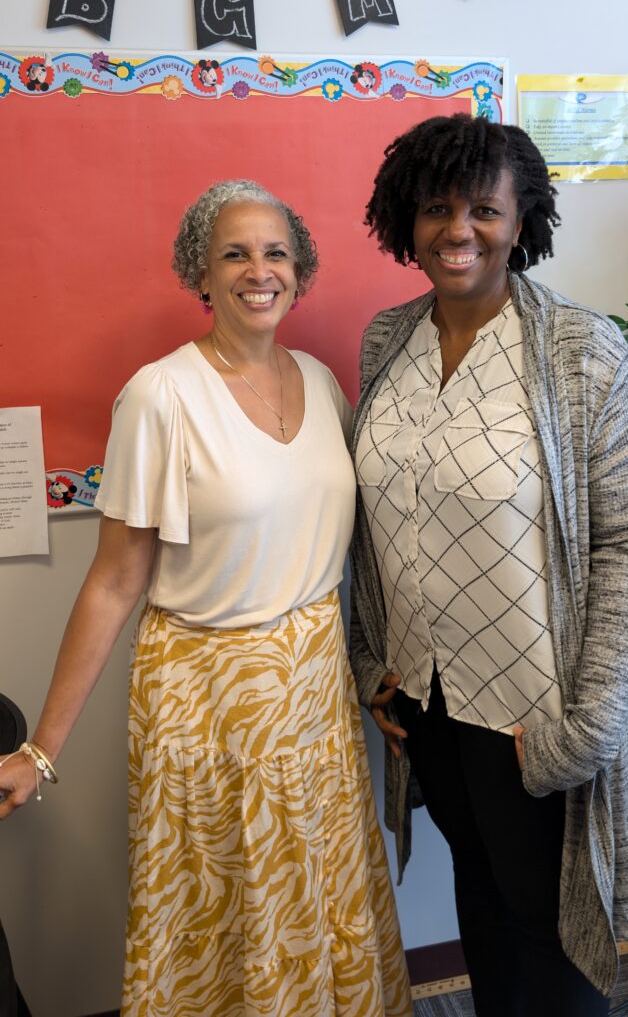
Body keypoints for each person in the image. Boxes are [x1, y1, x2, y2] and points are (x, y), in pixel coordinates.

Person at [0, 180, 412, 1017]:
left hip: (312, 692)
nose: (258, 271)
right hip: (207, 698)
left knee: (318, 889)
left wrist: (377, 672)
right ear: (201, 271)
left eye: (275, 253)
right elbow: (116, 580)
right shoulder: (162, 395)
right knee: (226, 910)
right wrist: (41, 749)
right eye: (234, 253)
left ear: (299, 271)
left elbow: (349, 552)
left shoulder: (321, 381)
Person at [349, 114, 628, 1017]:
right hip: (429, 703)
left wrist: (590, 722)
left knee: (552, 924)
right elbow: (371, 522)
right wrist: (371, 656)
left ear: (521, 222)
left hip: (539, 711)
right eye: (436, 208)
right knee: (480, 898)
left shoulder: (582, 353)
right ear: (404, 220)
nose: (458, 230)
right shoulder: (387, 341)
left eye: (483, 209)